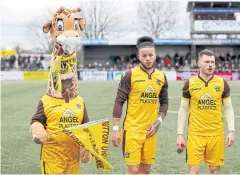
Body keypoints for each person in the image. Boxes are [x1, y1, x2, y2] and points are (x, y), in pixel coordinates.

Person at [29, 7, 91, 174]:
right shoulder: (46, 101)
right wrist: (38, 130)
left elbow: (86, 127)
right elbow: (36, 121)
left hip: (73, 160)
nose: (66, 80)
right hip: (52, 159)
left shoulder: (80, 102)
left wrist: (86, 148)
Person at [111, 36, 169, 174]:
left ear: (155, 55)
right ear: (139, 57)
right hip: (132, 130)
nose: (148, 58)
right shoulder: (130, 75)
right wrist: (115, 129)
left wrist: (158, 122)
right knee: (134, 170)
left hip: (150, 130)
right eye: (144, 56)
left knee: (146, 169)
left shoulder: (161, 76)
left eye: (150, 55)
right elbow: (119, 101)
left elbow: (164, 102)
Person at [176, 49, 235, 174]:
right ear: (198, 63)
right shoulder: (190, 83)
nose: (210, 65)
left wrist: (231, 130)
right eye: (207, 62)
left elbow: (228, 108)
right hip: (195, 134)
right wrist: (180, 134)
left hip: (216, 134)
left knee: (214, 171)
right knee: (193, 170)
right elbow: (183, 109)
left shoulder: (222, 83)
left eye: (212, 62)